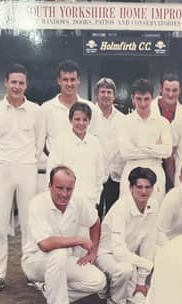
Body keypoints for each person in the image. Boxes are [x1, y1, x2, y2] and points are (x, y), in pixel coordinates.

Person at [0, 63, 45, 294]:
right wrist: (3, 162)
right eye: (13, 82)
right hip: (2, 168)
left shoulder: (36, 111)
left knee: (30, 225)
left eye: (21, 83)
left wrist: (28, 161)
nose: (17, 87)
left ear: (26, 84)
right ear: (6, 82)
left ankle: (32, 273)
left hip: (27, 168)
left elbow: (40, 144)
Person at [21, 166, 106, 304]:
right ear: (50, 186)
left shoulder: (78, 201)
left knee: (98, 281)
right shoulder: (37, 204)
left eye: (69, 189)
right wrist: (79, 240)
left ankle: (50, 289)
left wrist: (93, 251)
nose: (64, 194)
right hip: (35, 263)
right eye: (60, 188)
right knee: (58, 252)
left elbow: (95, 222)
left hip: (61, 262)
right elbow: (45, 244)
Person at [97, 167, 158, 304]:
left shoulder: (153, 205)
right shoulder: (121, 208)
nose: (143, 191)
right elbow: (118, 252)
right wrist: (147, 265)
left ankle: (117, 289)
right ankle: (113, 301)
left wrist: (142, 282)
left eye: (147, 187)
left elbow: (148, 242)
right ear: (131, 188)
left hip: (129, 258)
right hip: (107, 255)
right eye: (139, 187)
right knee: (125, 269)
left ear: (153, 188)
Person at [119, 78, 172, 203]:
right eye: (138, 99)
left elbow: (167, 151)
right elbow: (125, 153)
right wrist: (154, 148)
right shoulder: (125, 122)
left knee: (154, 216)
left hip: (156, 174)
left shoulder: (162, 122)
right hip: (131, 174)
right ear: (132, 98)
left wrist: (138, 147)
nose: (142, 104)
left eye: (146, 99)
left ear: (152, 98)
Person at [46, 102, 106, 208]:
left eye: (85, 120)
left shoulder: (95, 143)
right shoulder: (60, 141)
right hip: (66, 200)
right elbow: (52, 172)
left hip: (89, 200)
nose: (81, 123)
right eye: (77, 119)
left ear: (89, 121)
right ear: (70, 120)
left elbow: (99, 174)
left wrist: (96, 199)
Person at [41, 59, 98, 155]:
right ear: (59, 81)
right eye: (65, 79)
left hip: (83, 164)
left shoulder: (91, 108)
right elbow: (40, 141)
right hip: (56, 165)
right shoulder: (46, 108)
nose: (69, 84)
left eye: (72, 79)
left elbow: (94, 139)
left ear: (78, 80)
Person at [93, 77, 126, 217]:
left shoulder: (123, 119)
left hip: (116, 175)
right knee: (95, 214)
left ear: (114, 95)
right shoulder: (89, 116)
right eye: (102, 92)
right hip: (95, 175)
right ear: (96, 94)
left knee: (113, 215)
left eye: (109, 92)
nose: (106, 95)